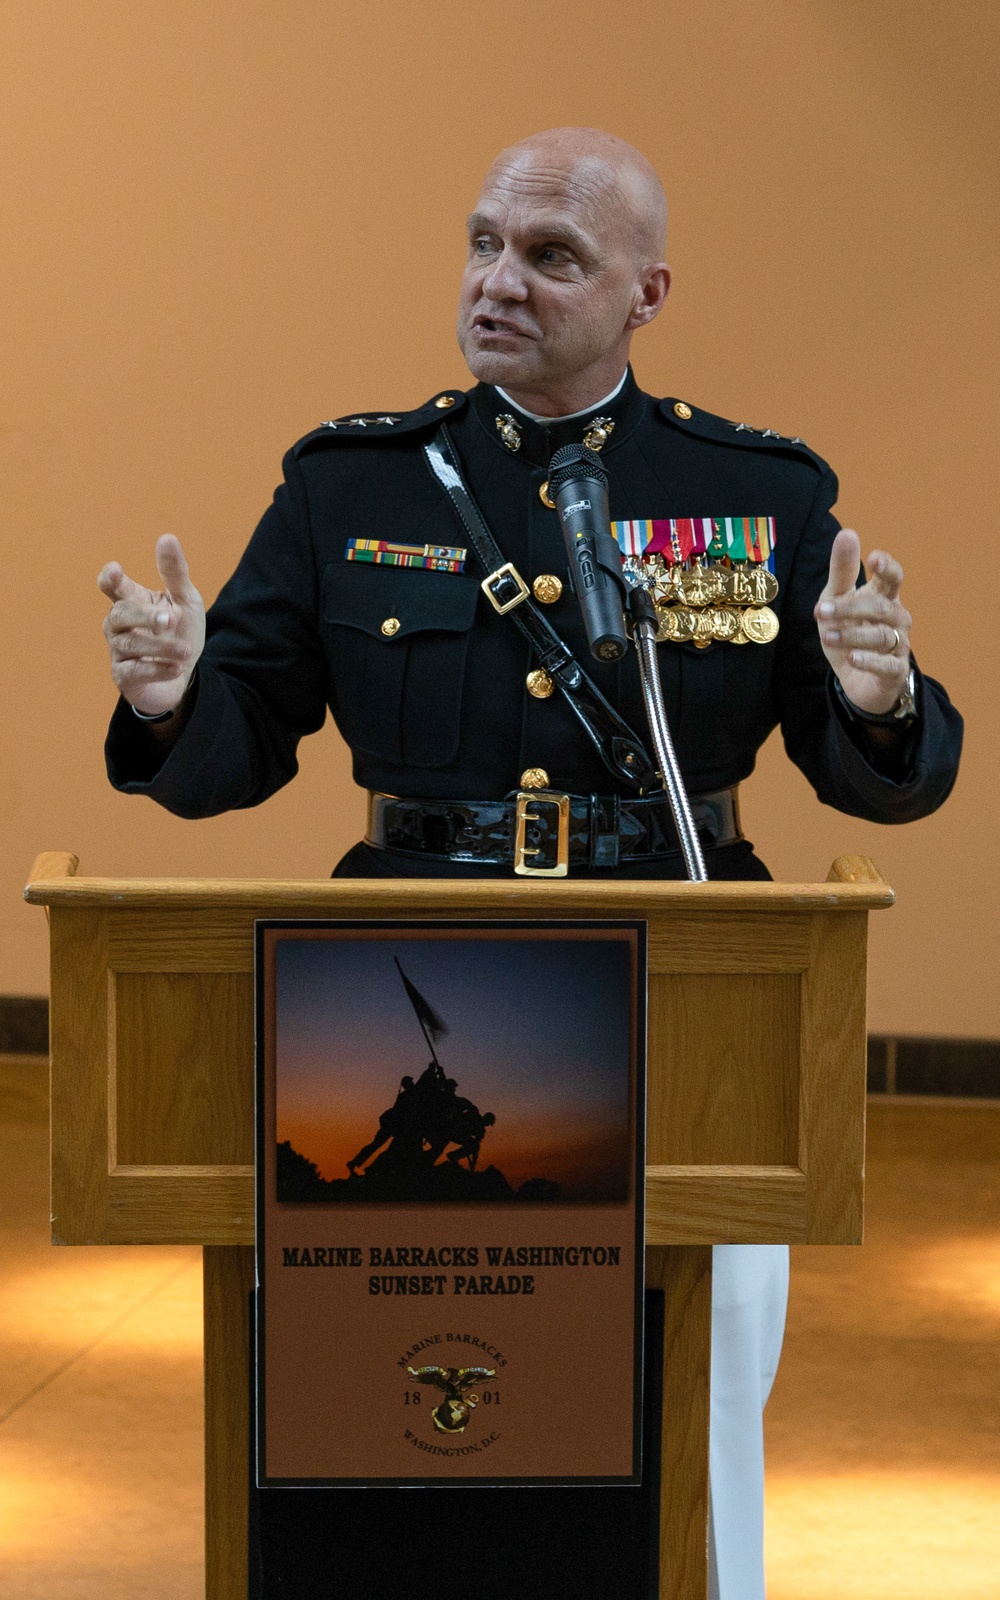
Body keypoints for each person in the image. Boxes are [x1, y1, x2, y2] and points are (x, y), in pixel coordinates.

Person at [97, 128, 962, 1600]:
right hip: (396, 982)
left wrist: (880, 699)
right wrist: (176, 695)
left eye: (552, 258)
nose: (501, 280)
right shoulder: (346, 490)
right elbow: (237, 749)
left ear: (646, 292)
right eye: (486, 240)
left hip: (687, 992)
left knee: (694, 1377)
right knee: (379, 1371)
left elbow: (866, 765)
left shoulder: (753, 494)